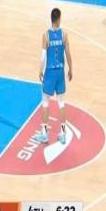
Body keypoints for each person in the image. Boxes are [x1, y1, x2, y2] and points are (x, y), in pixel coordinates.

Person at [37, 8, 73, 145]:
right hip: (60, 72)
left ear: (51, 19)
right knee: (61, 103)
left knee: (45, 103)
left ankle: (44, 133)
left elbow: (43, 57)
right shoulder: (64, 34)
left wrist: (40, 70)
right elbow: (68, 53)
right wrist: (71, 68)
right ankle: (63, 134)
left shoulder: (46, 35)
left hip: (50, 73)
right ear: (58, 19)